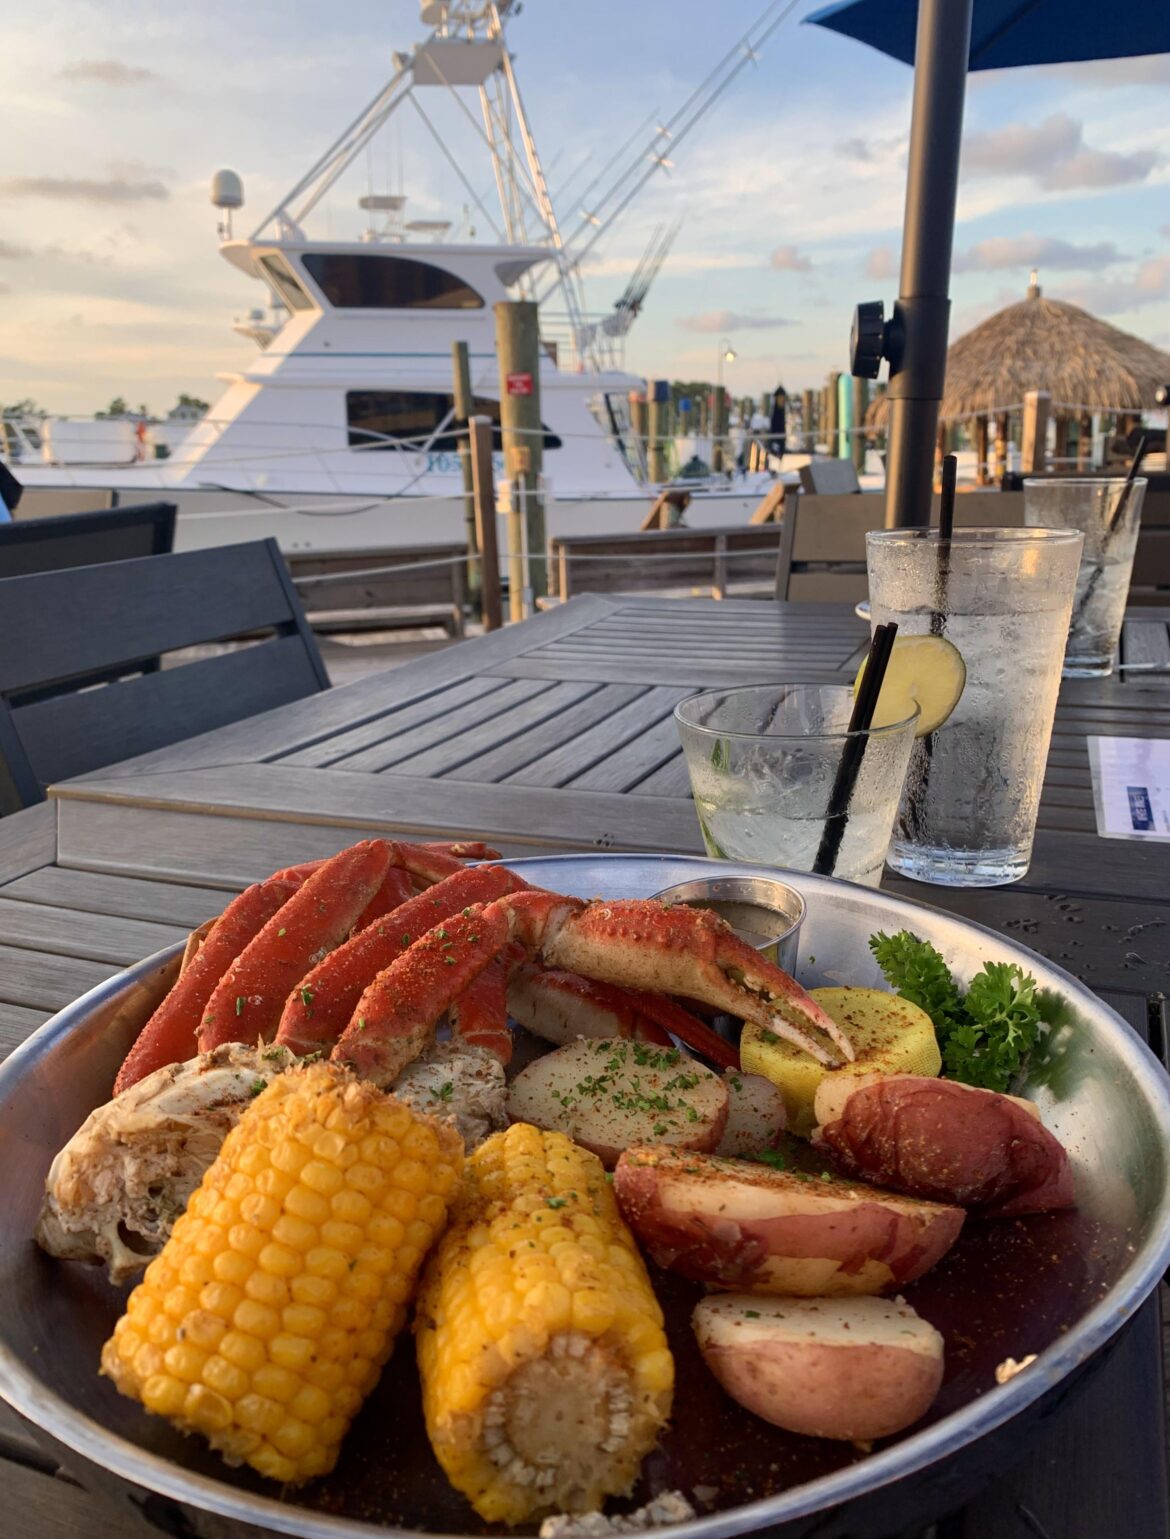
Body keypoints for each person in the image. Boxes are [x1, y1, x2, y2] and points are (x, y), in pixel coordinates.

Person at [768, 385, 787, 462]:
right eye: (780, 398)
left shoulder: (782, 410)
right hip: (776, 440)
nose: (782, 400)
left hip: (780, 439)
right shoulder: (775, 411)